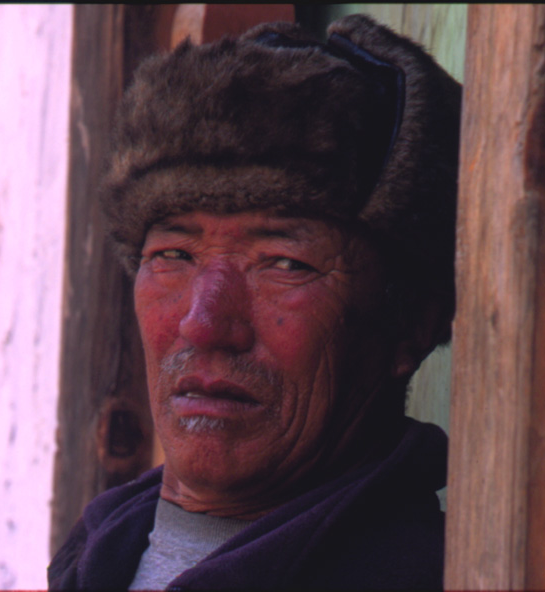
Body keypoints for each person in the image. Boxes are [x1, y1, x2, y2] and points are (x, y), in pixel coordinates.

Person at [49, 13, 460, 591]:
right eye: (173, 255)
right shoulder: (98, 552)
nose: (204, 323)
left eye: (284, 263)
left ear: (412, 322)